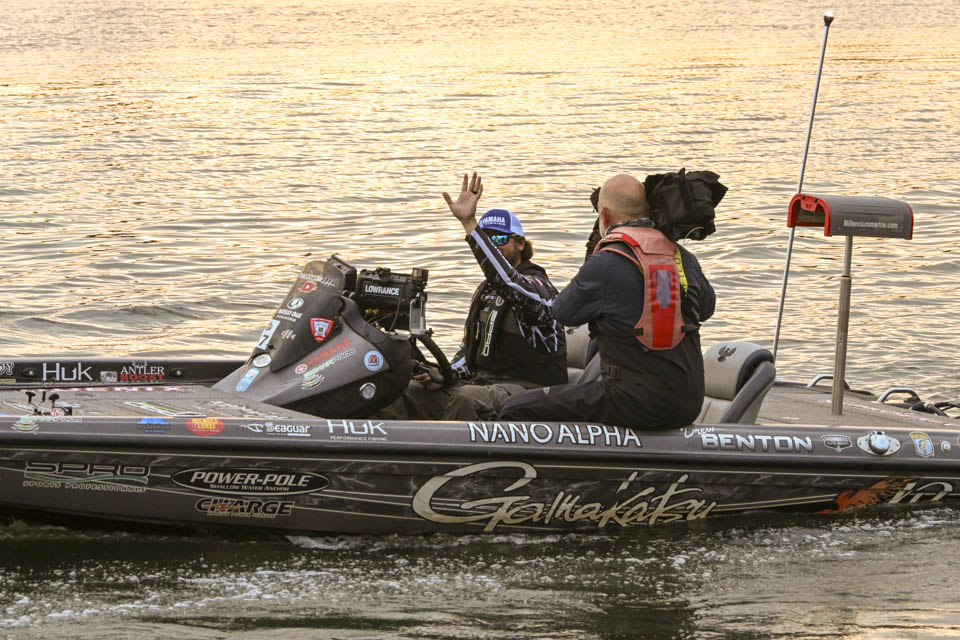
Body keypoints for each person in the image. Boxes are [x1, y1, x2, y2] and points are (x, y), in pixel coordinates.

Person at [500, 173, 715, 429]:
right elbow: (706, 309)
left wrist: (594, 250)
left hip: (633, 401)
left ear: (604, 216)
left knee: (516, 408)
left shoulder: (607, 260)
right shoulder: (681, 256)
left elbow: (563, 312)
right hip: (688, 404)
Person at [384, 172, 567, 421]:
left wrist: (470, 224)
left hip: (529, 390)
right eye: (488, 239)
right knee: (404, 391)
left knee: (467, 398)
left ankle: (447, 448)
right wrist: (444, 373)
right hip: (482, 384)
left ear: (521, 244)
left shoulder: (538, 288)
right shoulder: (486, 292)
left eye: (499, 238)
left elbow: (509, 282)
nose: (493, 245)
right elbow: (469, 355)